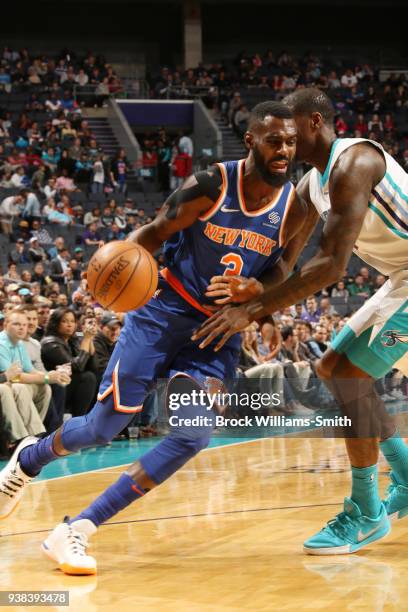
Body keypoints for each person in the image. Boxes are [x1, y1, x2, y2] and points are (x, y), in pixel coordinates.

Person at [0, 101, 310, 574]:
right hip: (162, 313)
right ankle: (31, 455)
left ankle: (76, 530)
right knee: (104, 427)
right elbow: (150, 234)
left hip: (215, 332)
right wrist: (113, 281)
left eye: (291, 141)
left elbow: (284, 270)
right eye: (275, 140)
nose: (285, 149)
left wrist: (255, 296)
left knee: (193, 435)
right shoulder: (211, 186)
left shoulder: (294, 206)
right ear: (251, 141)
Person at [194, 87, 408, 556]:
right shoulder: (312, 183)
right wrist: (260, 305)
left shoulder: (355, 164)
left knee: (351, 375)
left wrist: (249, 310)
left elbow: (331, 266)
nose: (284, 141)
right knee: (332, 368)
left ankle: (367, 513)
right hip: (401, 277)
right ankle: (406, 477)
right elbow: (283, 257)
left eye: (290, 130)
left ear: (314, 122)